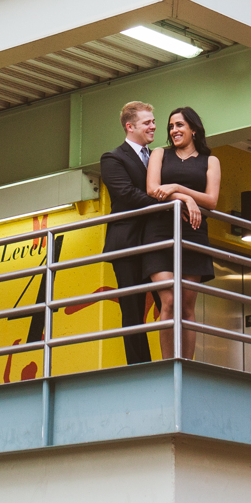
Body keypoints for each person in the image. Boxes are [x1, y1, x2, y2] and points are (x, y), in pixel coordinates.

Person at [143, 106, 221, 360]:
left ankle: (187, 364)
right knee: (169, 301)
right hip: (160, 232)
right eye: (171, 126)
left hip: (193, 233)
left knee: (187, 305)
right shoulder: (159, 154)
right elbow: (153, 189)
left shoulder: (210, 161)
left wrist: (177, 187)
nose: (174, 131)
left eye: (180, 125)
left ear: (194, 129)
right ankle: (169, 363)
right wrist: (185, 199)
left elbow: (211, 200)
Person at [98, 101, 158, 365]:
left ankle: (174, 357)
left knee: (167, 301)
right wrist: (167, 205)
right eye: (147, 122)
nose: (154, 126)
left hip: (155, 240)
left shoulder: (158, 157)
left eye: (153, 121)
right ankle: (139, 366)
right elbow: (125, 195)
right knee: (132, 309)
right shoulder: (113, 158)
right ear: (130, 126)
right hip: (128, 243)